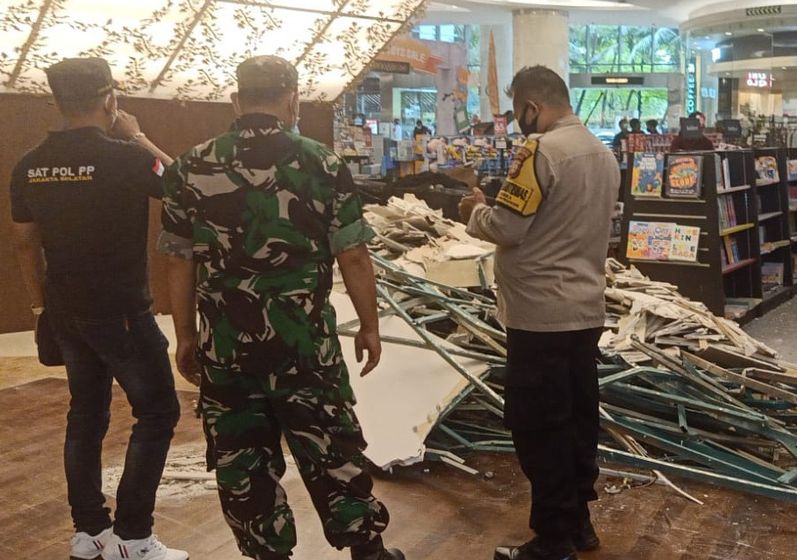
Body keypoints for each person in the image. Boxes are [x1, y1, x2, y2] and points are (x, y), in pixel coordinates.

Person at [158, 56, 402, 560]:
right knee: (329, 445)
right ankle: (368, 551)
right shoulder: (321, 163)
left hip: (226, 348)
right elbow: (353, 254)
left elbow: (177, 261)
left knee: (242, 456)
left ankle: (268, 554)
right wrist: (371, 327)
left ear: (236, 99)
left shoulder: (190, 166)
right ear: (292, 98)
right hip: (304, 347)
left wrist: (185, 335)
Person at [9, 58, 185, 560]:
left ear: (55, 102)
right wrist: (140, 136)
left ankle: (89, 533)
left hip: (65, 312)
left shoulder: (30, 164)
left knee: (85, 414)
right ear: (110, 99)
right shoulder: (126, 157)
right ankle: (133, 537)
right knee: (157, 412)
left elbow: (24, 244)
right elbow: (186, 186)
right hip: (123, 313)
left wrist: (41, 307)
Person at [458, 66, 620, 560]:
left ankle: (552, 540)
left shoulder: (540, 151)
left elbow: (508, 227)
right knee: (577, 418)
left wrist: (474, 211)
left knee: (537, 425)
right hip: (584, 307)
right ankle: (578, 523)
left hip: (538, 314)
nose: (516, 121)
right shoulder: (602, 152)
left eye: (517, 110)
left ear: (533, 105)